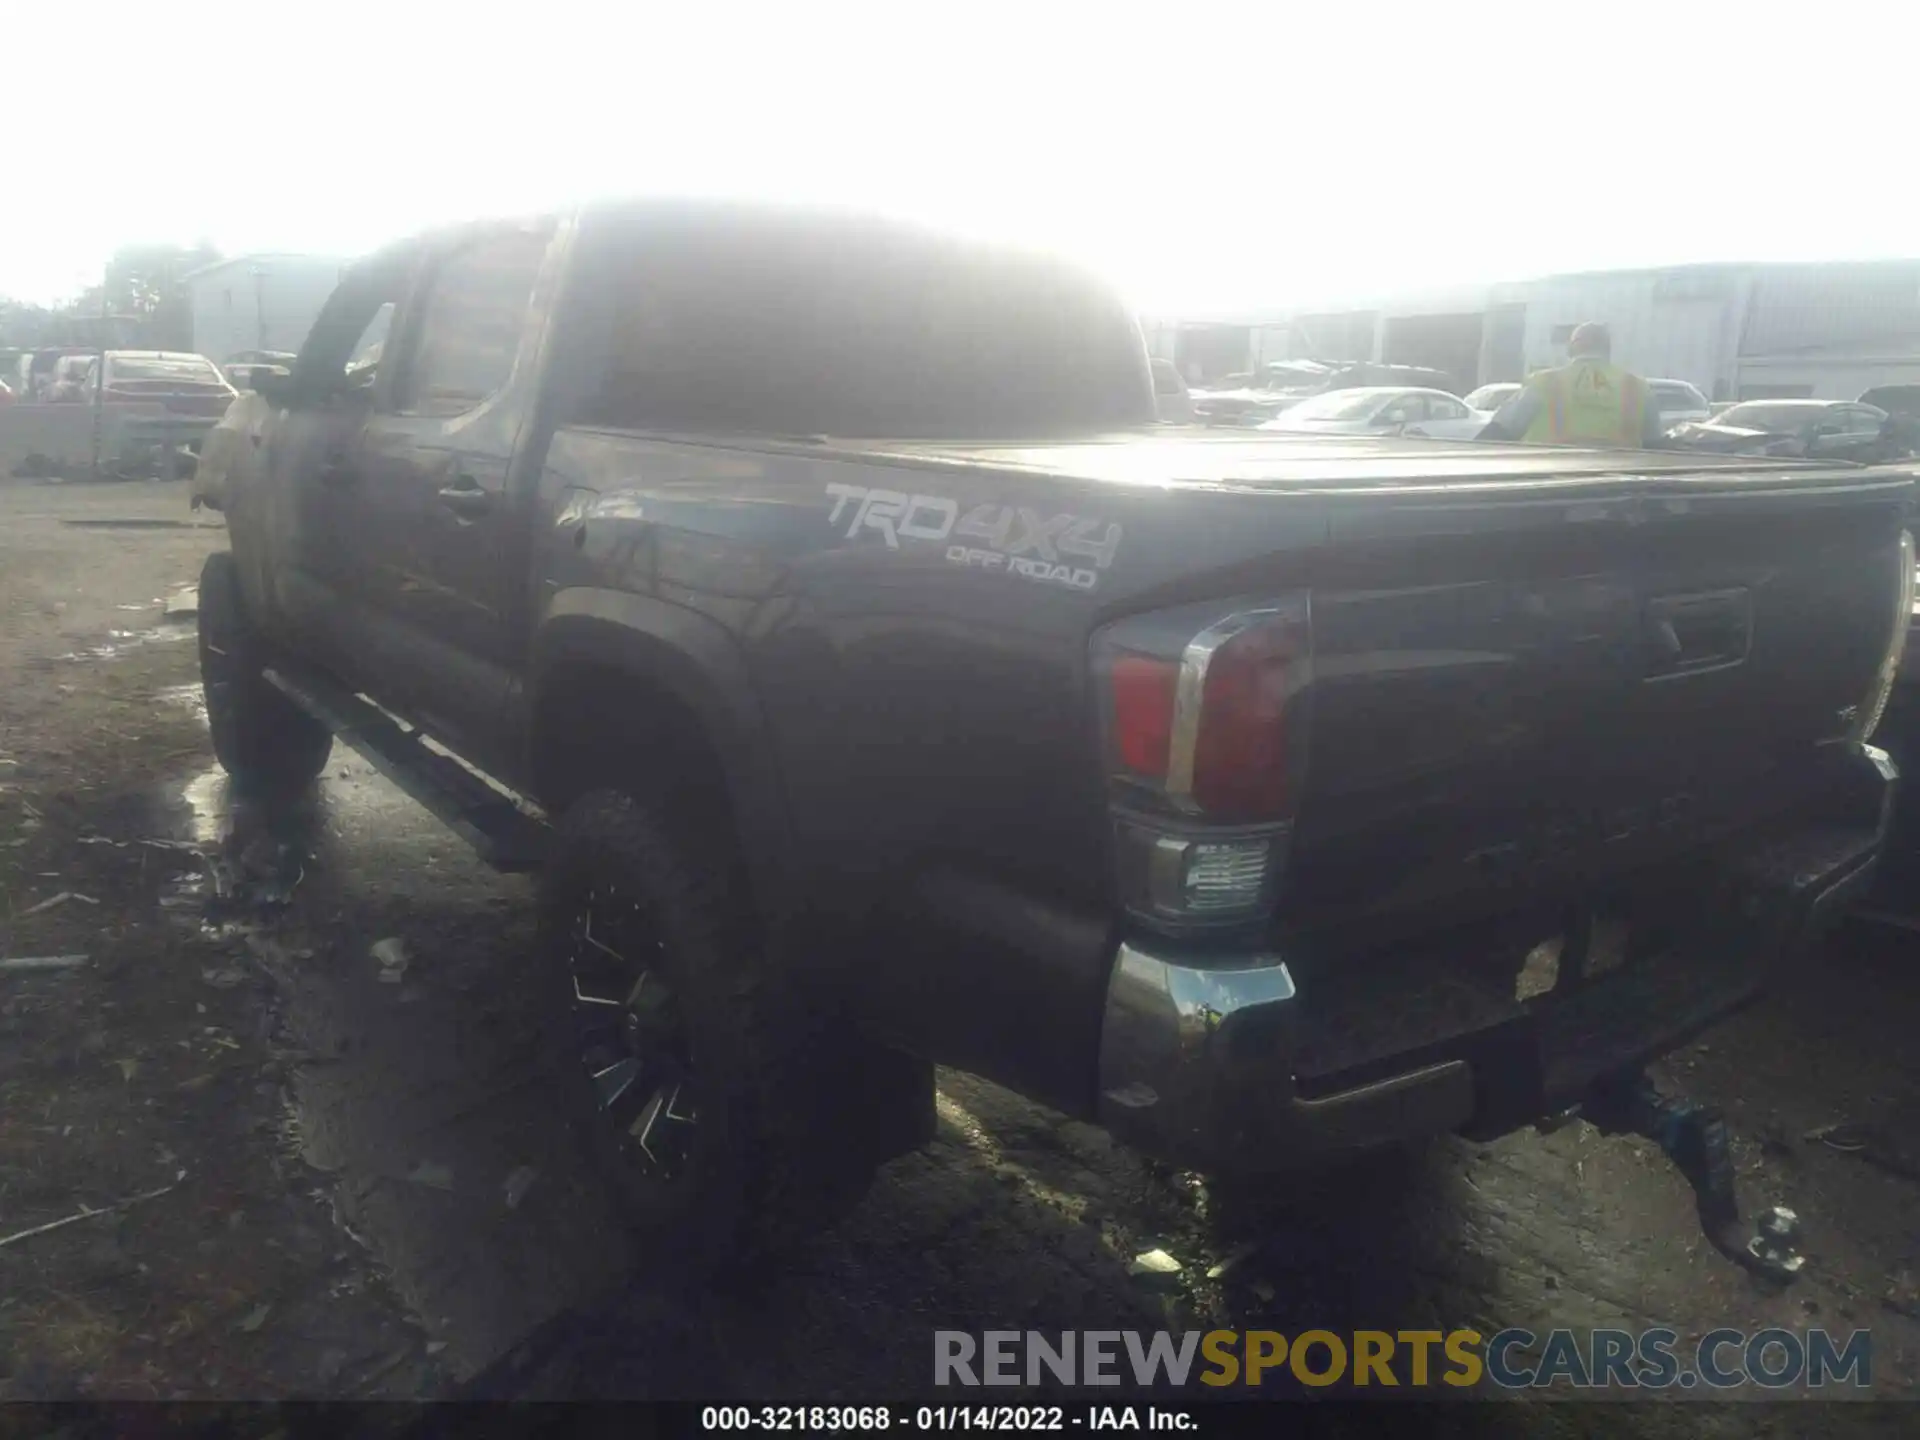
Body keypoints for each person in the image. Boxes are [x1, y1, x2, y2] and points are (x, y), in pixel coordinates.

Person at [1478, 322, 1666, 448]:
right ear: (1607, 347)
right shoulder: (1637, 387)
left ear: (1573, 346)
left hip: (1553, 486)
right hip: (1619, 493)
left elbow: (1502, 429)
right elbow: (1654, 445)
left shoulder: (1545, 382)